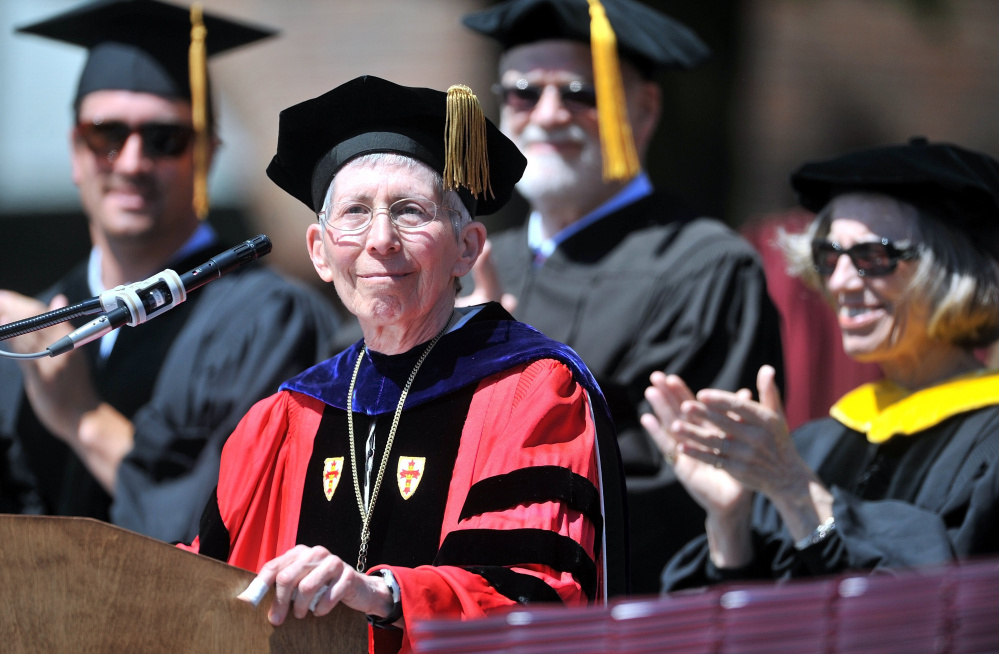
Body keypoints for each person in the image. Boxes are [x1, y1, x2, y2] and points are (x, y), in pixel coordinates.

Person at [179, 75, 628, 654]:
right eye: (356, 213)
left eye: (411, 211)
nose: (381, 239)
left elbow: (532, 594)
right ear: (319, 250)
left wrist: (385, 597)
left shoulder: (532, 390)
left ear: (467, 247)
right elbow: (200, 584)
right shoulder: (284, 419)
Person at [461, 0, 785, 593]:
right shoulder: (473, 261)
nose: (549, 114)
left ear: (644, 108)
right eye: (523, 93)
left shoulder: (705, 270)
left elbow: (686, 489)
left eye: (582, 93)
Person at [0, 0, 339, 543]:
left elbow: (240, 533)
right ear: (75, 151)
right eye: (105, 135)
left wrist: (84, 418)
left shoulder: (269, 321)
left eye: (165, 139)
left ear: (206, 154)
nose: (131, 162)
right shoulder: (27, 332)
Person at [644, 138, 999, 591]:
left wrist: (797, 491)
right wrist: (731, 520)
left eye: (874, 257)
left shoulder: (991, 448)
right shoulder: (815, 443)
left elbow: (940, 606)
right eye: (830, 257)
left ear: (951, 268)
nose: (842, 281)